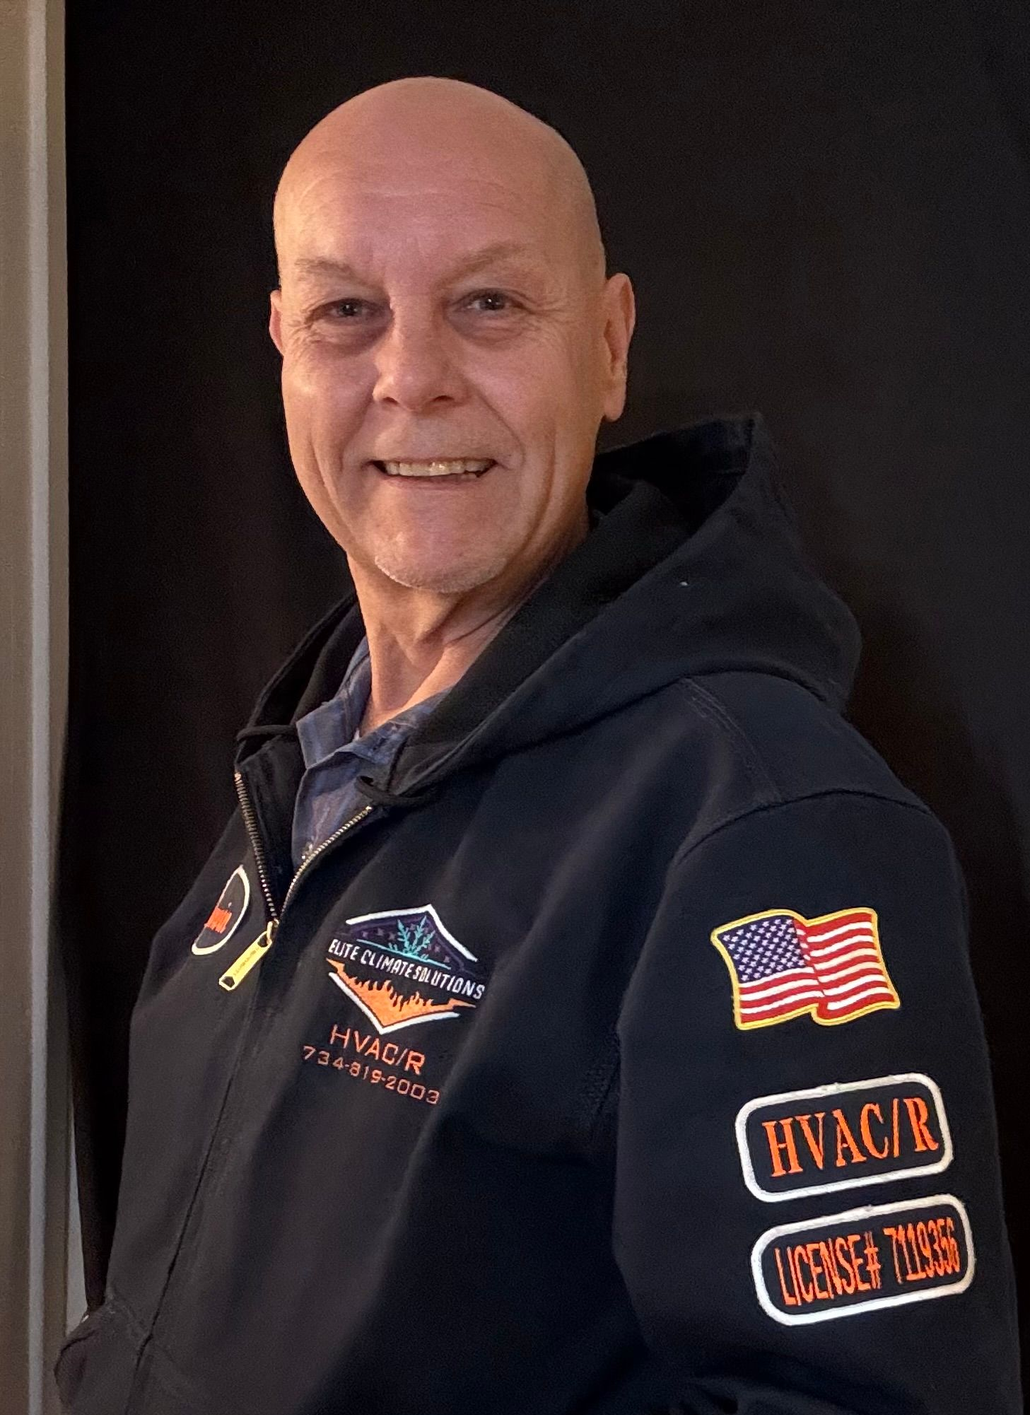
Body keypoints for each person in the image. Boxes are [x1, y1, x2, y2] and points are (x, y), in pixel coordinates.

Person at [56, 76, 1021, 1414]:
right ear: (281, 346)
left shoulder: (760, 826)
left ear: (610, 345)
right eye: (347, 311)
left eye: (488, 303)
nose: (411, 376)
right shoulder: (308, 768)